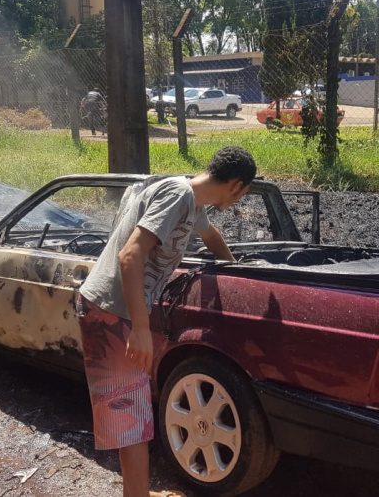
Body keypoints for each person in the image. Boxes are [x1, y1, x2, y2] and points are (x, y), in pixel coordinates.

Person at [77, 146, 256, 497]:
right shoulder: (177, 195)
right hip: (112, 312)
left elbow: (210, 236)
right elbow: (130, 255)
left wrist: (236, 268)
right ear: (236, 185)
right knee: (130, 421)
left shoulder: (192, 201)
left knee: (134, 416)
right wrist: (141, 329)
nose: (238, 201)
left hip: (117, 310)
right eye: (243, 194)